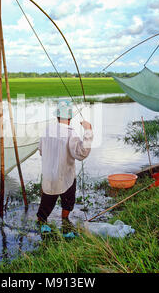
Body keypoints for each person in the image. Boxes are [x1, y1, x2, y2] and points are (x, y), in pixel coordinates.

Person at [37, 98, 93, 236]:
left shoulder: (47, 130)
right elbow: (82, 153)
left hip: (49, 175)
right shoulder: (70, 133)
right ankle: (65, 221)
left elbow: (41, 150)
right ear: (69, 117)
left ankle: (41, 224)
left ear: (57, 116)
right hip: (65, 175)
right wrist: (88, 130)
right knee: (68, 202)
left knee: (45, 205)